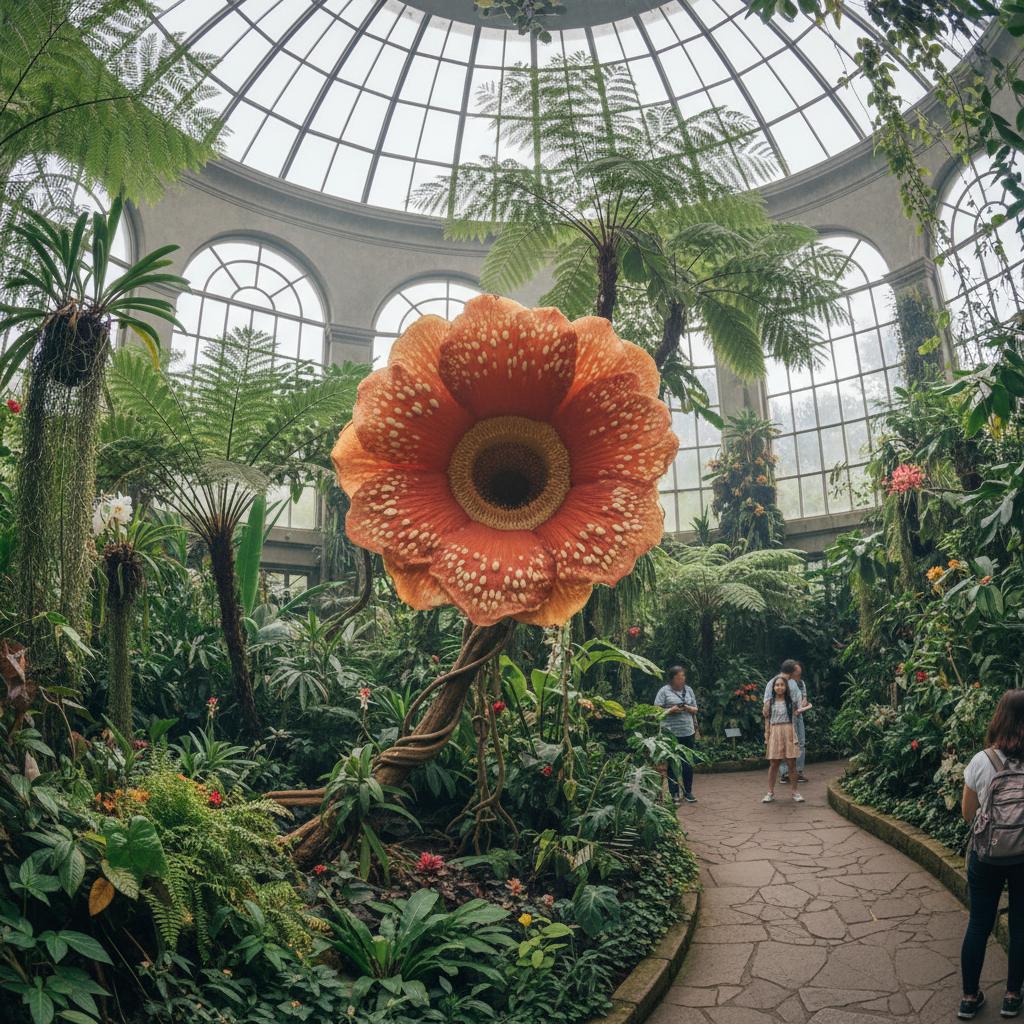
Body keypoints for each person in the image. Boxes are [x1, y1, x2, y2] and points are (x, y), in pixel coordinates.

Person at [958, 690, 1024, 1020]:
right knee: (1021, 926)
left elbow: (967, 813)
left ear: (999, 718)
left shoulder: (981, 761)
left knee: (978, 924)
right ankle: (1012, 996)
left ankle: (969, 998)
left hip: (986, 856)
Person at [761, 660, 809, 803]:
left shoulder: (792, 690)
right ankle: (770, 792)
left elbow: (799, 707)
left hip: (789, 729)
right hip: (775, 731)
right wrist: (767, 735)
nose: (779, 687)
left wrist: (803, 706)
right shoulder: (771, 695)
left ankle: (795, 792)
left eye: (782, 685)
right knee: (774, 764)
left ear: (785, 687)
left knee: (791, 763)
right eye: (777, 685)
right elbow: (766, 715)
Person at [654, 666, 698, 804]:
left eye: (683, 677)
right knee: (673, 763)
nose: (682, 680)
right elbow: (656, 711)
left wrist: (688, 708)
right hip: (670, 733)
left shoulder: (688, 690)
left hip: (688, 732)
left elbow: (695, 709)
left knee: (687, 763)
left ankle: (688, 792)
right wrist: (670, 710)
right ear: (672, 679)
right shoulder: (664, 691)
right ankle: (674, 794)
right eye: (679, 677)